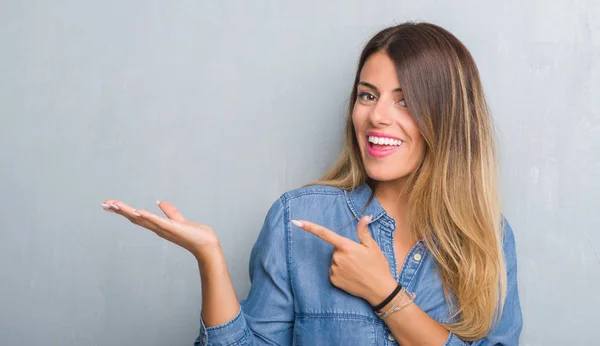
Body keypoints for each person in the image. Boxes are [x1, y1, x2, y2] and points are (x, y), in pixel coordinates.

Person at [102, 21, 522, 345]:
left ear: (448, 118)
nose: (377, 117)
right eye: (368, 95)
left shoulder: (488, 240)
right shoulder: (299, 219)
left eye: (406, 101)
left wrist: (386, 294)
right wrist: (210, 258)